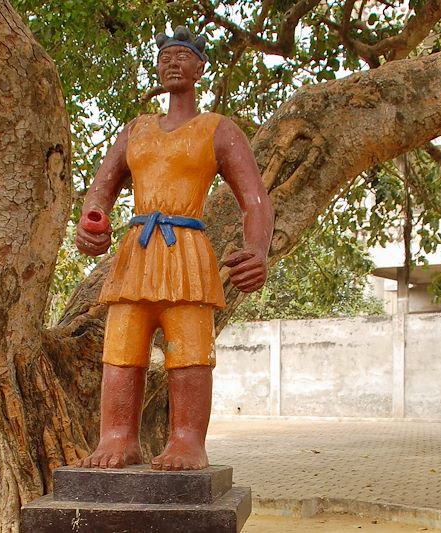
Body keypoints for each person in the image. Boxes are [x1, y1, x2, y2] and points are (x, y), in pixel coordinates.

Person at [75, 26, 274, 471]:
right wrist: (93, 220)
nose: (173, 62)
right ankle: (118, 437)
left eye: (183, 55)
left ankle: (186, 440)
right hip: (136, 253)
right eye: (166, 56)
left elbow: (256, 199)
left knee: (189, 349)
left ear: (201, 68)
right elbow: (100, 190)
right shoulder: (136, 131)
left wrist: (257, 251)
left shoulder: (218, 130)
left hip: (186, 251)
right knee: (122, 346)